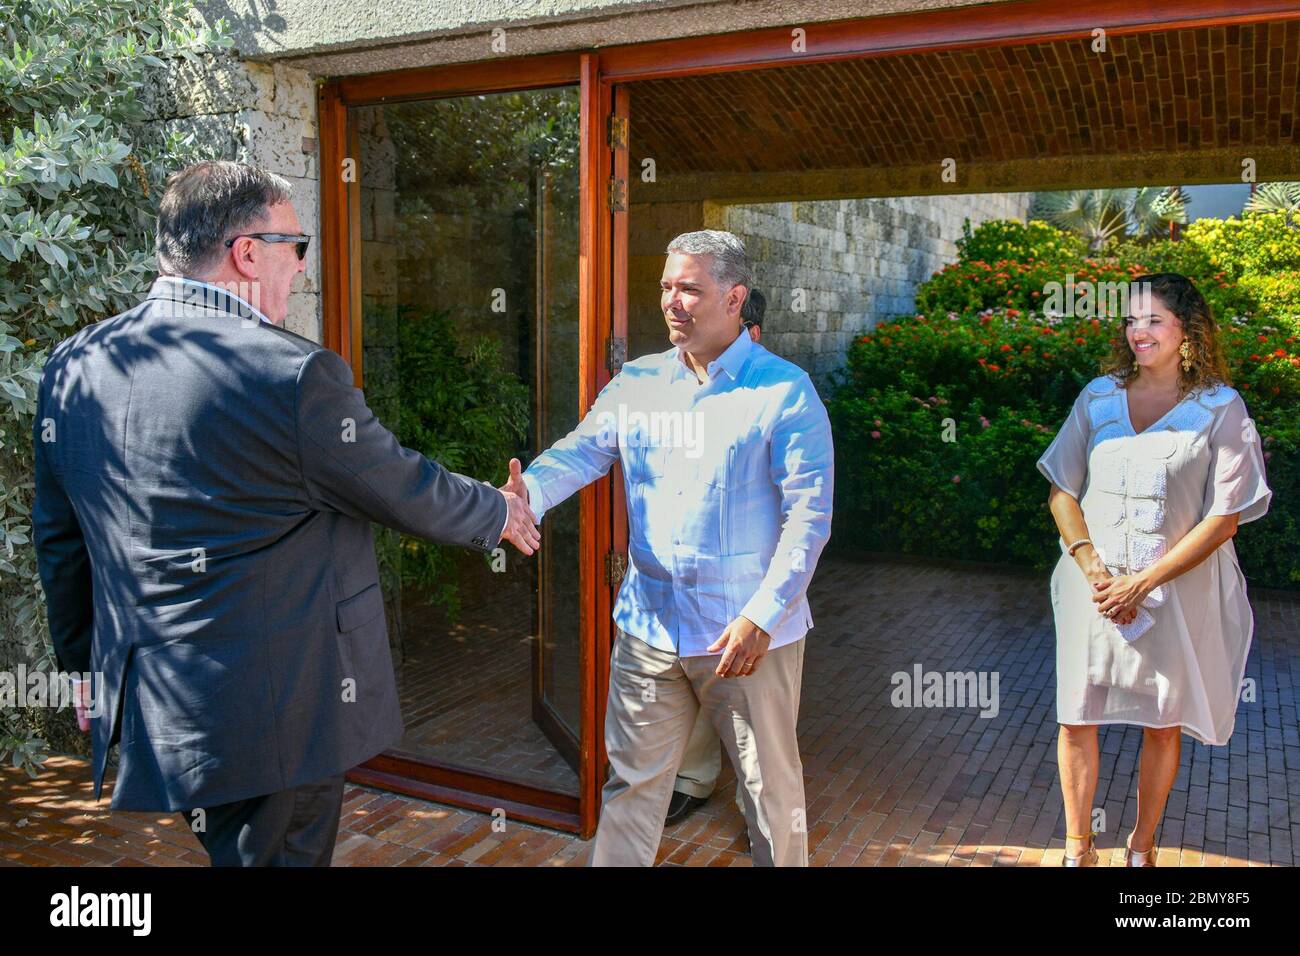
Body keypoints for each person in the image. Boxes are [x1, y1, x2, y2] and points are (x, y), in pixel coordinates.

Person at [31, 160, 539, 866]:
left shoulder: (74, 362)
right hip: (275, 714)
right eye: (296, 247)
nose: (301, 268)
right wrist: (499, 509)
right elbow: (398, 484)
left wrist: (86, 672)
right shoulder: (291, 375)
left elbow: (59, 543)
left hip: (155, 701)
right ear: (247, 253)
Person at [503, 231, 833, 865]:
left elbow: (810, 516)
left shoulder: (785, 392)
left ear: (735, 299)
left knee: (771, 797)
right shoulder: (638, 383)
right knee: (630, 788)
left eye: (690, 289)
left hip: (745, 640)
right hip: (649, 629)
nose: (672, 303)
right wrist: (524, 497)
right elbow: (580, 453)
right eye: (666, 287)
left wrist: (763, 615)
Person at [1036, 273, 1271, 867]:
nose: (1138, 331)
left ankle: (1141, 847)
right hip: (1090, 589)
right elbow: (1062, 489)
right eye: (1131, 320)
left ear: (1187, 330)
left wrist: (1141, 583)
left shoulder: (1221, 408)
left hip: (1173, 593)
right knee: (1076, 716)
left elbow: (1225, 518)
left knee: (1162, 723)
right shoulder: (1097, 396)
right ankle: (1077, 850)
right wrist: (1092, 568)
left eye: (1154, 320)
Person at [667, 284, 767, 825]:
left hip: (754, 590)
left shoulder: (777, 391)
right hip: (693, 588)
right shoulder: (678, 384)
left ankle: (761, 820)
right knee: (707, 687)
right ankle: (694, 777)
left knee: (758, 724)